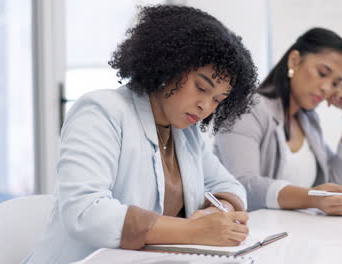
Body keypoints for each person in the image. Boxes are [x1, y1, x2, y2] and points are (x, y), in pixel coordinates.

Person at [22, 5, 258, 264]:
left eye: (218, 100)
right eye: (201, 87)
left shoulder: (186, 133)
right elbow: (85, 212)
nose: (206, 106)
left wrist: (218, 213)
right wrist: (194, 231)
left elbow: (228, 186)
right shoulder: (101, 111)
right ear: (170, 64)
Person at [214, 27, 342, 215]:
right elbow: (242, 185)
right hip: (251, 235)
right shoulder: (247, 108)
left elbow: (339, 185)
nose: (327, 88)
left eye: (335, 83)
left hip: (296, 235)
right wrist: (312, 198)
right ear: (294, 61)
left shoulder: (309, 121)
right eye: (323, 73)